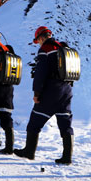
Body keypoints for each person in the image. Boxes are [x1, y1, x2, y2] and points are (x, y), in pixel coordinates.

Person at [14, 26, 75, 164]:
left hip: (51, 91)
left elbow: (40, 74)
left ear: (41, 37)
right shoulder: (62, 47)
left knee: (34, 122)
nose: (39, 44)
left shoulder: (45, 50)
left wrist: (37, 93)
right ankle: (67, 157)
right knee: (65, 124)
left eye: (38, 41)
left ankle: (29, 152)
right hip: (66, 90)